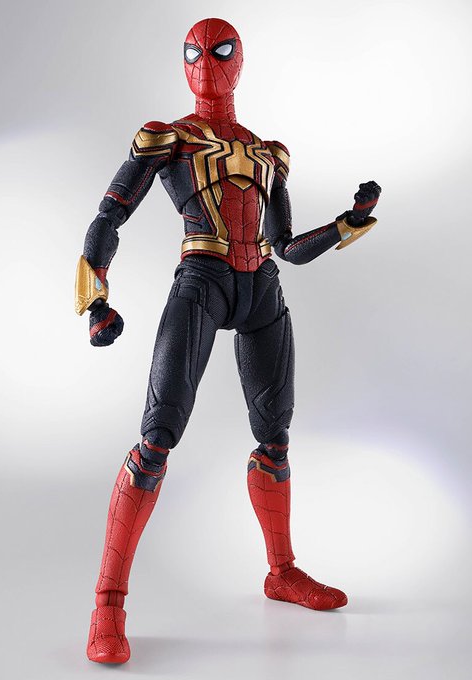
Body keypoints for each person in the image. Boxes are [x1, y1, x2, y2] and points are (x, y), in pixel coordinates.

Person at [75, 17, 381, 664]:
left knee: (275, 437)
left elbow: (286, 248)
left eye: (219, 51)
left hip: (261, 285)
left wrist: (348, 224)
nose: (206, 63)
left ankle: (282, 571)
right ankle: (107, 603)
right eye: (194, 52)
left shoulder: (269, 152)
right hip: (202, 278)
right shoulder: (168, 137)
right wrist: (94, 298)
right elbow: (109, 215)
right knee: (156, 439)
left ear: (239, 61)